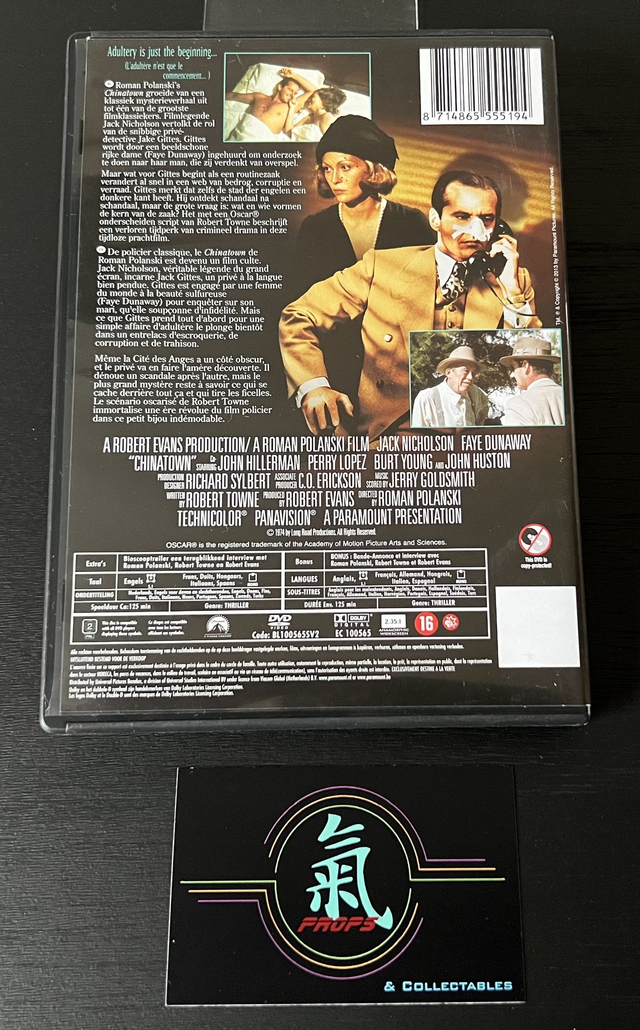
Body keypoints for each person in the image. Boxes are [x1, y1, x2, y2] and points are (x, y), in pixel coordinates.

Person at [279, 169, 542, 439]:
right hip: (390, 437)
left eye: (486, 219)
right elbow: (299, 315)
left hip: (473, 440)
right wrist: (313, 386)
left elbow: (526, 358)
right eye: (462, 217)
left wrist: (512, 291)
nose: (477, 232)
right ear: (435, 219)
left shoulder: (512, 279)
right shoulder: (382, 265)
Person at [288, 115, 433, 421]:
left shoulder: (411, 223)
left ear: (373, 169)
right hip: (330, 368)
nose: (335, 179)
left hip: (395, 370)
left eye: (345, 167)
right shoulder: (315, 228)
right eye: (327, 168)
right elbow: (297, 306)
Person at [227, 67, 319, 142]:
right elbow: (234, 96)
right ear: (280, 87)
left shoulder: (289, 106)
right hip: (240, 135)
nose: (292, 95)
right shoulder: (260, 97)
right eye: (290, 90)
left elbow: (316, 92)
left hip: (260, 140)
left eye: (295, 93)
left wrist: (294, 75)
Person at [411, 346, 489, 428]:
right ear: (448, 373)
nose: (470, 377)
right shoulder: (428, 399)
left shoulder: (477, 395)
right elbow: (418, 434)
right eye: (465, 371)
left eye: (473, 373)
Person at [499, 337, 564, 426]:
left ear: (525, 366)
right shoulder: (567, 395)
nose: (512, 375)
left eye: (513, 367)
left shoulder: (519, 405)